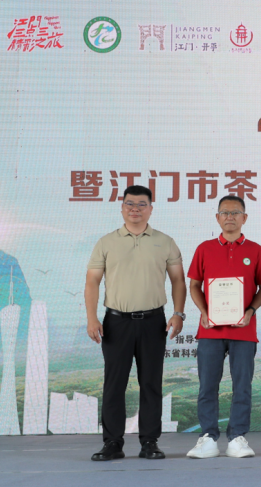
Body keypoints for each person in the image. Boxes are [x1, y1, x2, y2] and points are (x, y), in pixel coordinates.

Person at [85, 185, 186, 461]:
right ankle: (112, 443)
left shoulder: (165, 241)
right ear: (122, 208)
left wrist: (178, 313)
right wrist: (92, 317)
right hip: (116, 322)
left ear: (151, 209)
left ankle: (150, 442)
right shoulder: (106, 242)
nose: (135, 209)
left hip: (154, 322)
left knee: (151, 382)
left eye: (142, 204)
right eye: (130, 204)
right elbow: (92, 281)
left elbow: (178, 280)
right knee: (114, 383)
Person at [185, 195, 261, 459]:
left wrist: (250, 311)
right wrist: (203, 312)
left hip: (244, 330)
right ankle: (208, 438)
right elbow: (194, 285)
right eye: (225, 212)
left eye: (235, 213)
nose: (230, 217)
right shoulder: (204, 248)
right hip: (210, 330)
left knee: (242, 385)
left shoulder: (256, 250)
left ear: (244, 218)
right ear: (217, 217)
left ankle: (237, 438)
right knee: (207, 386)